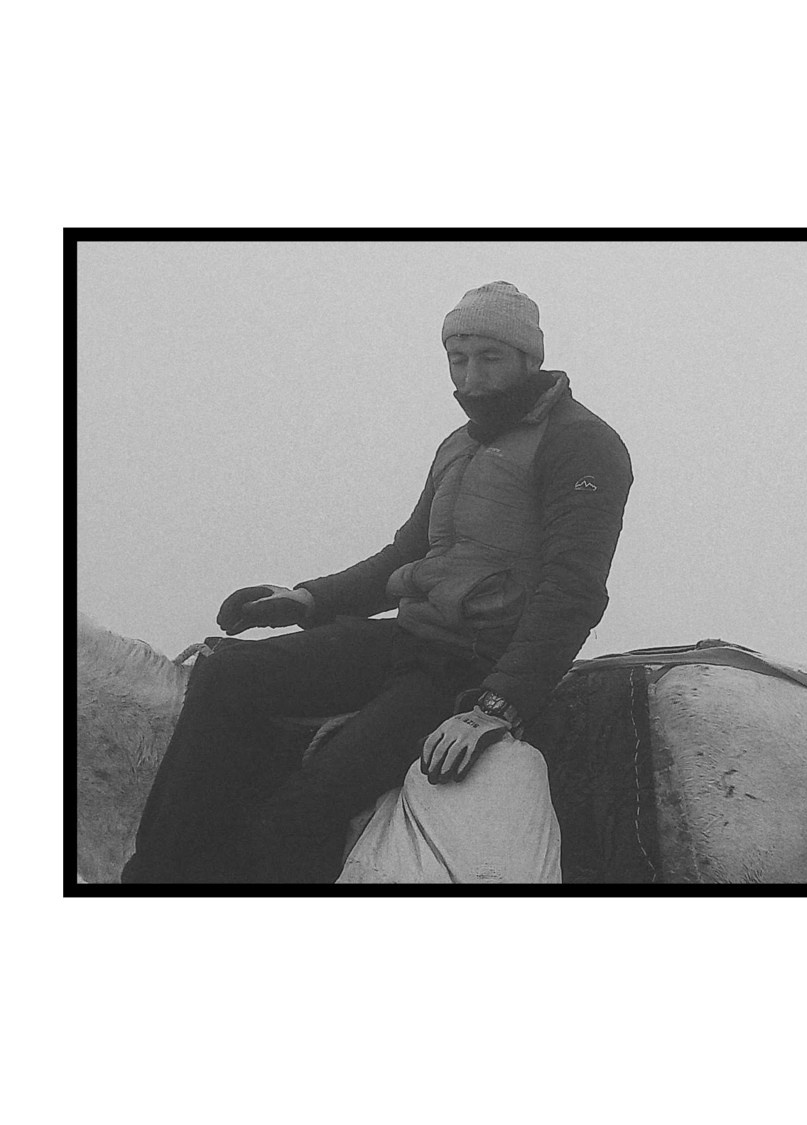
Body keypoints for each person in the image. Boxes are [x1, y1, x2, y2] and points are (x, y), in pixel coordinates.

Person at [122, 282, 634, 883]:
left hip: (471, 664)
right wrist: (308, 598)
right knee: (228, 674)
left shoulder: (582, 443)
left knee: (306, 807)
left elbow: (573, 589)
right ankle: (156, 877)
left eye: (489, 357)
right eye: (457, 358)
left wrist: (497, 705)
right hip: (407, 639)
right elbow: (405, 553)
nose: (470, 377)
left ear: (531, 359)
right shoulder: (460, 445)